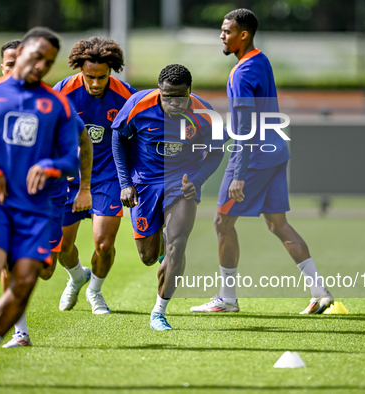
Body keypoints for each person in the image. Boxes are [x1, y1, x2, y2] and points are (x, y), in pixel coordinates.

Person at [0, 27, 82, 387]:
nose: (41, 66)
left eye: (49, 63)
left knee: (24, 280)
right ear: (21, 51)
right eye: (37, 56)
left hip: (38, 209)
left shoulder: (58, 105)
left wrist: (52, 166)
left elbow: (72, 157)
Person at [190, 8, 334, 314]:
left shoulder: (241, 73)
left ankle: (227, 299)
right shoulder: (260, 59)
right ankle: (320, 292)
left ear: (243, 34)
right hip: (276, 151)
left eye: (227, 31)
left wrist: (239, 173)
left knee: (222, 222)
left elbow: (244, 127)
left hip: (253, 157)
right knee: (278, 223)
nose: (222, 35)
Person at [112, 64, 225, 330]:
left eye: (180, 96)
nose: (174, 102)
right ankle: (161, 243)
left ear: (190, 91)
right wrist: (126, 183)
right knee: (148, 257)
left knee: (178, 244)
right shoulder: (138, 104)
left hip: (182, 181)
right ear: (159, 90)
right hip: (145, 182)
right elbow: (118, 138)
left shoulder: (206, 114)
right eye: (167, 95)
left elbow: (218, 151)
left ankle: (159, 311)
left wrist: (197, 181)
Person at [0, 40, 93, 347]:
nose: (16, 69)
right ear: (3, 67)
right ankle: (19, 332)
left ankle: (78, 275)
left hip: (49, 197)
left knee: (45, 270)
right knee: (7, 261)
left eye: (20, 63)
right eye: (9, 64)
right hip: (6, 195)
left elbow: (83, 141)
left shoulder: (53, 101)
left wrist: (81, 185)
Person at [52, 37, 137, 314]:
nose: (96, 83)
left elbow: (138, 136)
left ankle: (95, 291)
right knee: (62, 248)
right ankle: (77, 276)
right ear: (80, 70)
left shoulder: (126, 95)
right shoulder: (62, 93)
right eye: (90, 77)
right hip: (68, 179)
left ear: (111, 70)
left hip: (109, 176)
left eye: (102, 77)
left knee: (104, 242)